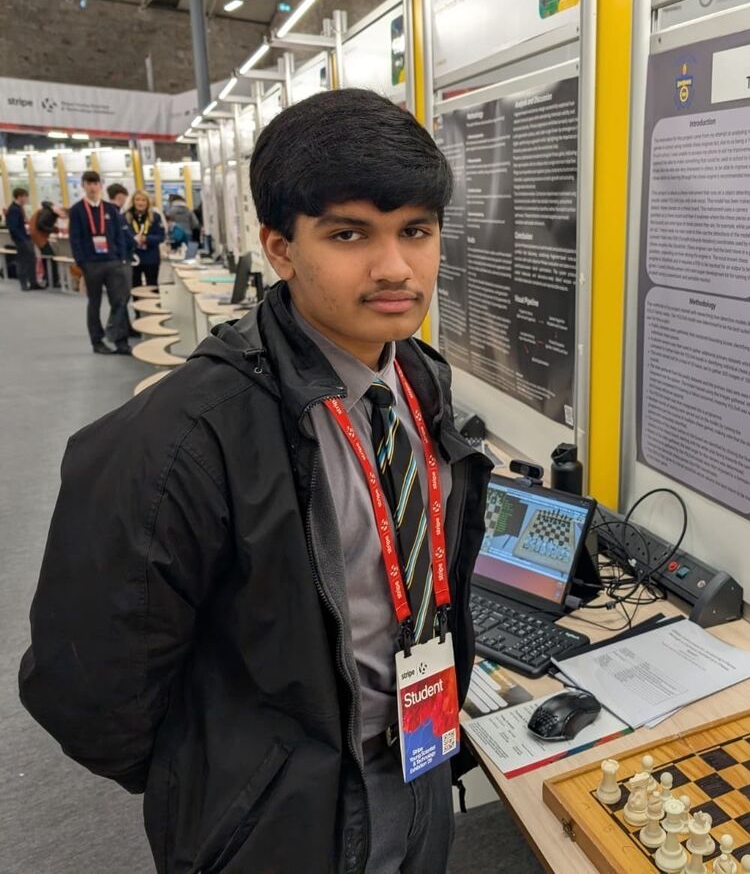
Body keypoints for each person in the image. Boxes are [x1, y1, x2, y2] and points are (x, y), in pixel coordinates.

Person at [20, 89, 492, 874]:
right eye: (350, 234)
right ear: (279, 246)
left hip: (418, 761)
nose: (395, 267)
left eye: (417, 231)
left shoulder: (419, 382)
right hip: (283, 821)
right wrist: (236, 784)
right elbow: (86, 690)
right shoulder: (182, 438)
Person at [67, 170, 132, 354]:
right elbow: (75, 239)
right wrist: (82, 262)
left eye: (95, 184)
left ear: (101, 186)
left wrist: (120, 258)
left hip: (113, 262)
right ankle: (97, 341)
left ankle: (121, 340)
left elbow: (119, 235)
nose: (93, 187)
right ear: (83, 186)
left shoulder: (110, 209)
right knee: (94, 303)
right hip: (91, 264)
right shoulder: (78, 210)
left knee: (119, 301)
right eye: (89, 184)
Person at [124, 189, 165, 288]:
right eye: (137, 200)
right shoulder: (125, 217)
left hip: (151, 257)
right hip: (133, 257)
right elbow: (121, 236)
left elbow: (161, 236)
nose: (140, 203)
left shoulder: (155, 217)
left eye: (143, 200)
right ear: (133, 201)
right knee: (135, 287)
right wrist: (132, 239)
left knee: (152, 288)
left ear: (148, 202)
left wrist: (146, 239)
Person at [6, 187, 39, 290]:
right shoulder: (14, 209)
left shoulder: (19, 208)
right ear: (19, 197)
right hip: (21, 239)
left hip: (25, 237)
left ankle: (33, 282)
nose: (27, 199)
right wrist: (23, 239)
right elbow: (13, 227)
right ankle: (24, 283)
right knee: (24, 260)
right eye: (25, 197)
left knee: (31, 259)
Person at [30, 201, 66, 289]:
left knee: (47, 258)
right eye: (64, 215)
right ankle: (52, 281)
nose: (64, 218)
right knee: (50, 257)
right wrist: (53, 229)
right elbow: (40, 225)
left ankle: (49, 279)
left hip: (37, 235)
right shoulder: (49, 213)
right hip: (39, 236)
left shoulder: (49, 211)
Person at [165, 193, 200, 259]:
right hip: (188, 234)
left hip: (175, 234)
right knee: (188, 255)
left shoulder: (170, 211)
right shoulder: (189, 211)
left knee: (175, 255)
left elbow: (167, 224)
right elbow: (196, 224)